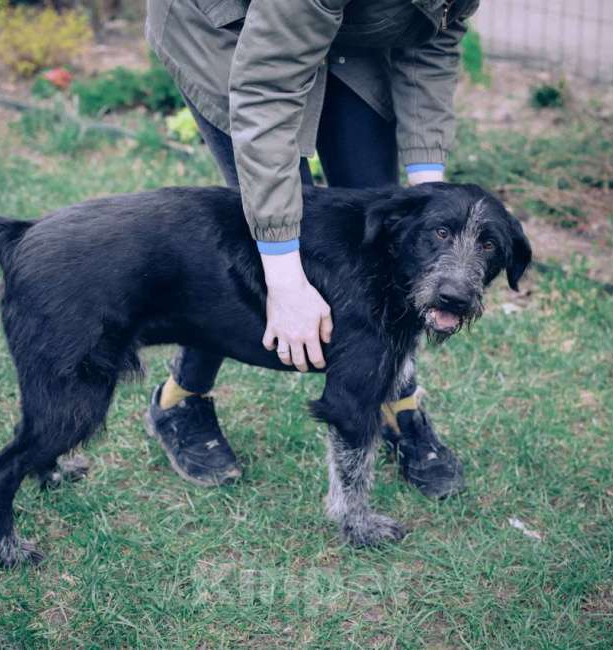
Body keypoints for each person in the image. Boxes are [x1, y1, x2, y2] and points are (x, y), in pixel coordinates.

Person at [144, 0, 480, 498]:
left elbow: (431, 38)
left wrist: (430, 204)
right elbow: (267, 94)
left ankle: (395, 398)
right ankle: (180, 397)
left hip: (344, 29)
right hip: (229, 35)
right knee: (266, 239)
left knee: (380, 217)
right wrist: (285, 276)